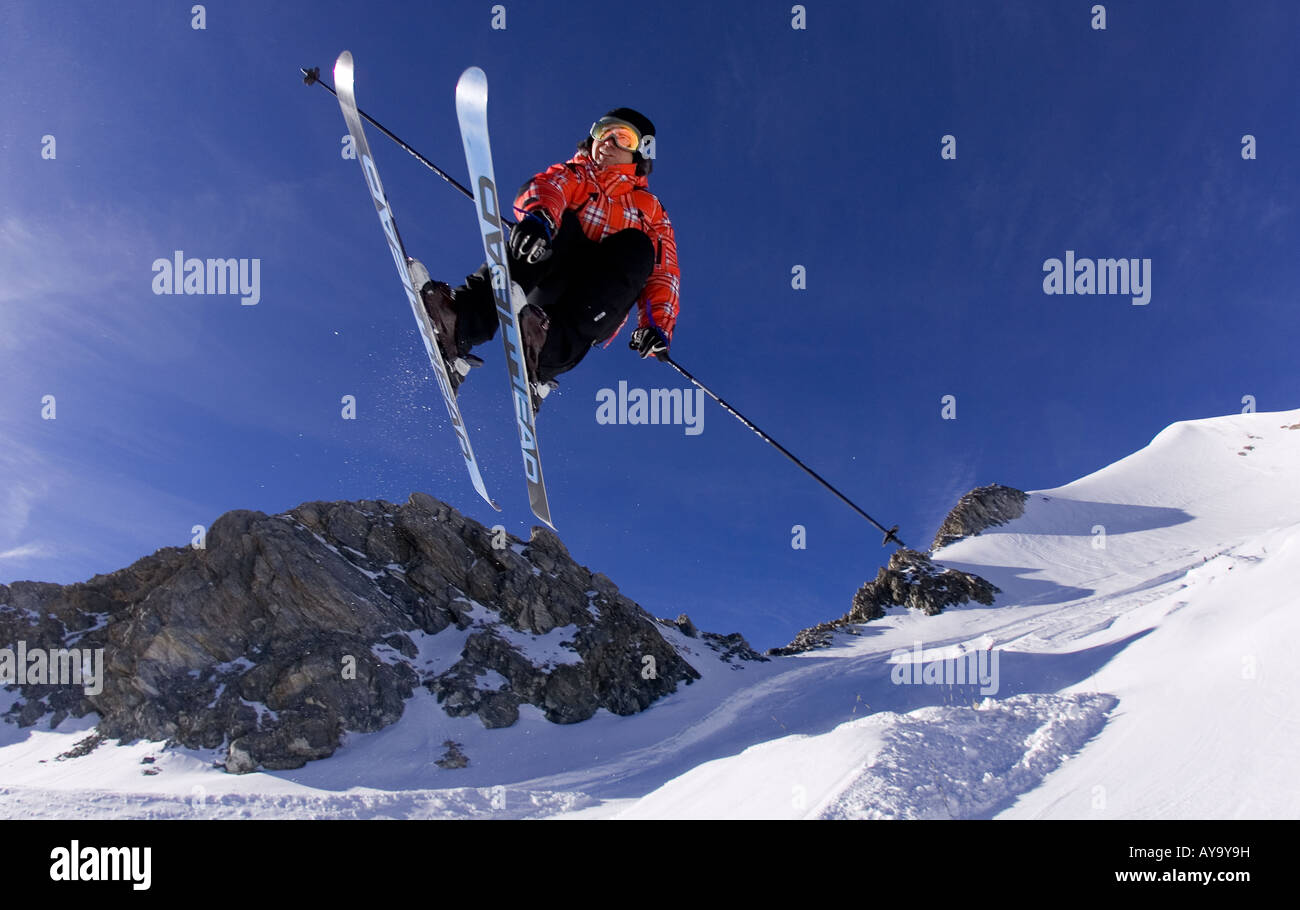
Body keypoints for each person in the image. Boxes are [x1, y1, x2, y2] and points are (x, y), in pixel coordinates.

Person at [418, 108, 680, 410]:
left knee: (639, 247)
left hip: (590, 304)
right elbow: (549, 187)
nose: (608, 142)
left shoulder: (650, 211)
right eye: (602, 132)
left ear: (642, 152)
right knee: (555, 220)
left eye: (622, 138)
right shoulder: (576, 173)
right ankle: (461, 323)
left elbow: (664, 272)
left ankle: (547, 351)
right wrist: (538, 218)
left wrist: (656, 324)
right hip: (542, 277)